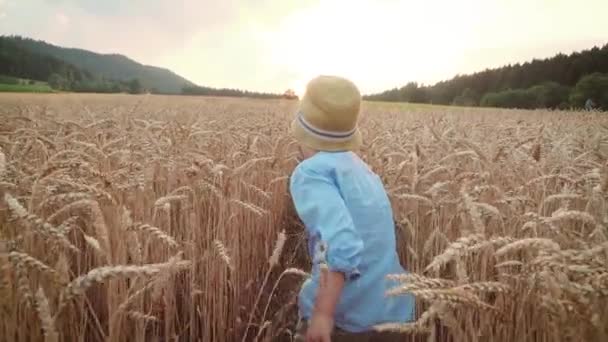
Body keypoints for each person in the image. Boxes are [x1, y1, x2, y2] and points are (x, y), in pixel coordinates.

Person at [289, 75, 415, 342]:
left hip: (348, 320)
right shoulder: (361, 168)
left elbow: (342, 244)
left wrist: (323, 314)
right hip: (395, 311)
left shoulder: (310, 173)